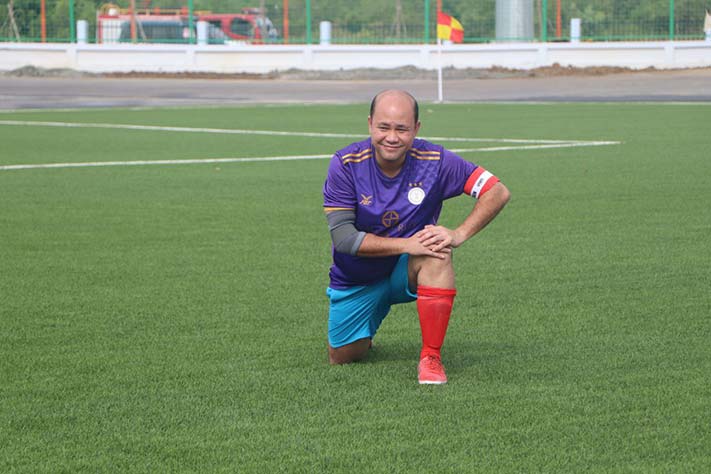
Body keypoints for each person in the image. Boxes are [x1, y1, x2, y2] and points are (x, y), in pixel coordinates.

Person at [322, 89, 510, 384]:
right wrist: (407, 243)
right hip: (357, 278)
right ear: (370, 124)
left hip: (407, 267)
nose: (392, 137)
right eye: (383, 127)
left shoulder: (436, 160)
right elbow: (344, 239)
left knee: (437, 250)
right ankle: (372, 310)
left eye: (402, 129)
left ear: (416, 128)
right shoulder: (346, 163)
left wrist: (458, 234)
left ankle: (431, 357)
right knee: (343, 357)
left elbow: (497, 191)